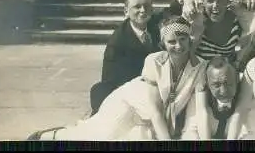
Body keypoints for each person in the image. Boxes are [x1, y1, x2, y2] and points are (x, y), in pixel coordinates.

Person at [27, 17, 209, 141]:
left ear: (189, 39)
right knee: (96, 136)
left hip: (150, 119)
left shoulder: (199, 65)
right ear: (163, 44)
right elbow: (154, 110)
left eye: (183, 39)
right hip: (128, 104)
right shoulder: (154, 61)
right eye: (172, 42)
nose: (178, 46)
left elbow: (200, 111)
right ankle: (49, 136)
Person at [88, 0, 163, 115]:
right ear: (126, 11)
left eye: (147, 6)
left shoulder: (154, 26)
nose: (143, 11)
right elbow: (113, 80)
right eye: (137, 7)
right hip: (130, 90)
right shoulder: (118, 42)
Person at [181, 56, 255, 140]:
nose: (223, 91)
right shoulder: (199, 96)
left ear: (237, 78)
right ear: (207, 83)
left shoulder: (249, 95)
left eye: (228, 83)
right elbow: (189, 133)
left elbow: (251, 135)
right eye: (216, 85)